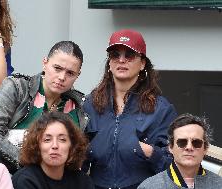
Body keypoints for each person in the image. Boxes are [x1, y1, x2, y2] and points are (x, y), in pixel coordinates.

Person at [82, 29, 177, 189]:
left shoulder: (161, 109)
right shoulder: (90, 104)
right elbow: (77, 161)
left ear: (142, 64)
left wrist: (149, 152)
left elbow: (174, 165)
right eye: (115, 55)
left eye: (129, 55)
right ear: (109, 63)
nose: (121, 60)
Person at [0, 40, 88, 173]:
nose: (62, 77)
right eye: (57, 68)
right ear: (45, 63)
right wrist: (34, 166)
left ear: (77, 75)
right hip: (10, 177)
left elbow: (77, 154)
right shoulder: (17, 88)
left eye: (70, 73)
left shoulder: (79, 106)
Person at [12, 111, 94, 189]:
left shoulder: (83, 182)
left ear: (72, 145)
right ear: (37, 145)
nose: (55, 145)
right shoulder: (24, 180)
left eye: (62, 139)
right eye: (47, 140)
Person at [138, 113, 222, 189]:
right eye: (182, 142)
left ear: (205, 149)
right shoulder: (149, 187)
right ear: (170, 147)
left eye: (196, 142)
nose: (189, 147)